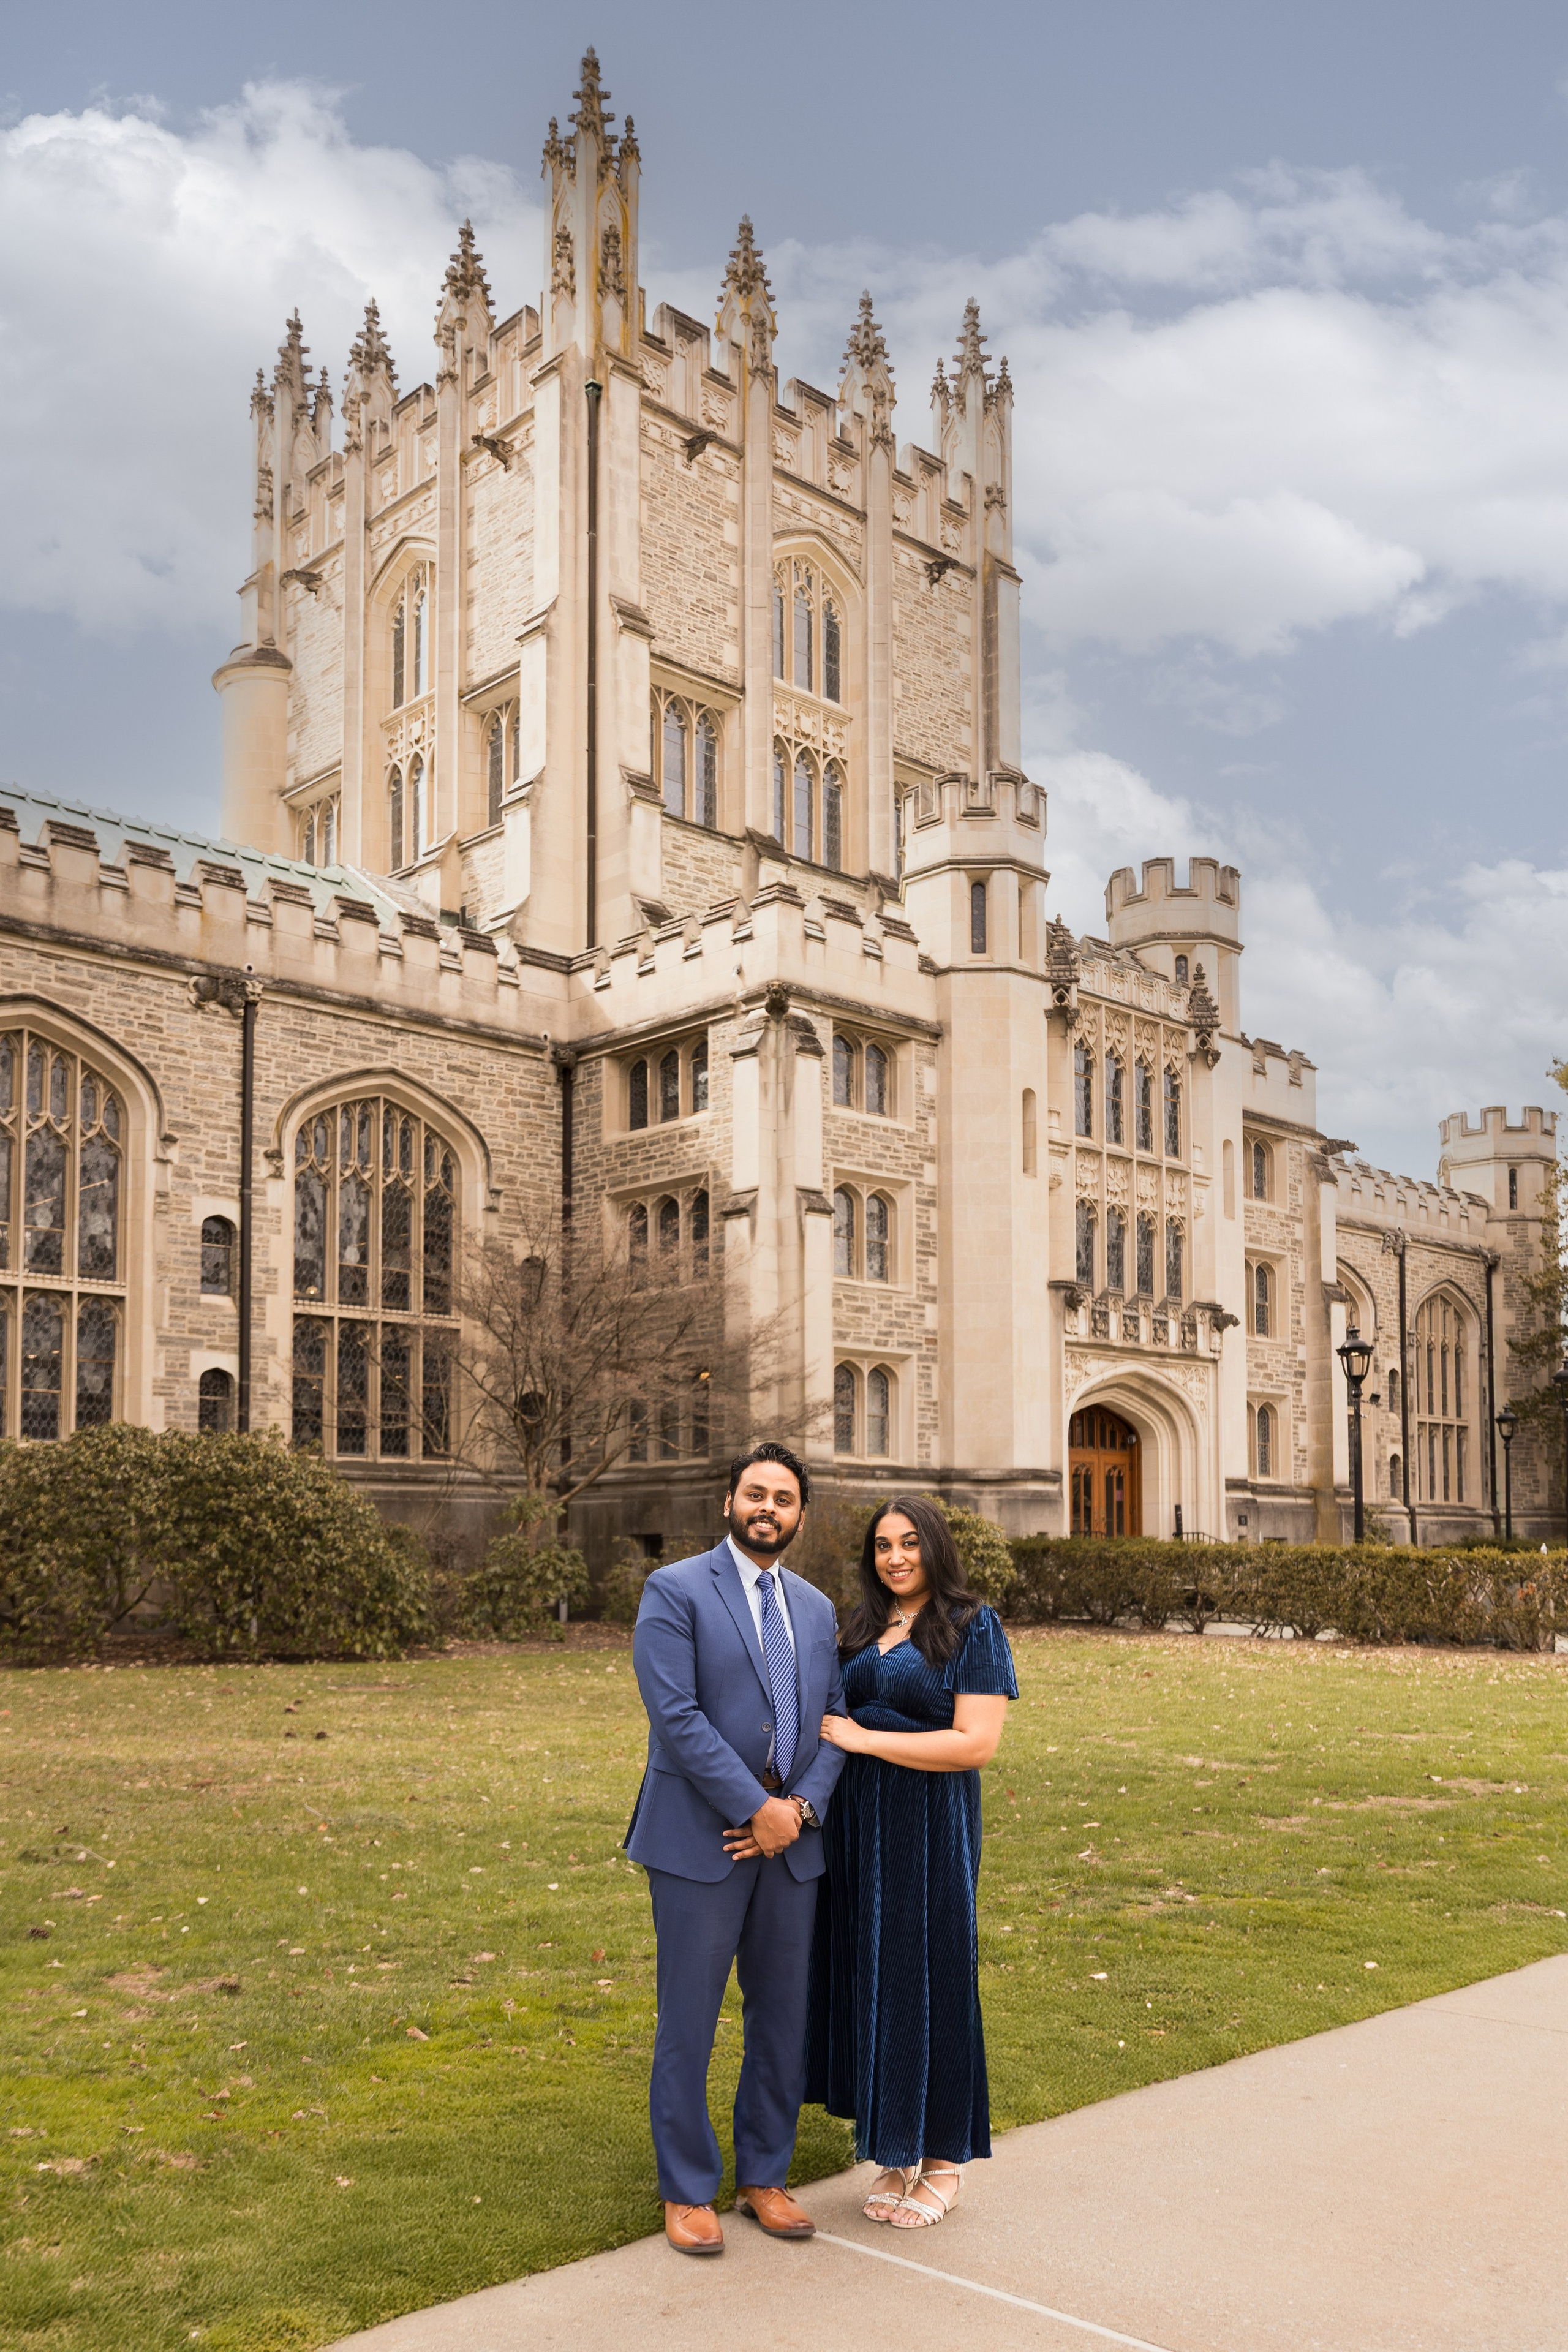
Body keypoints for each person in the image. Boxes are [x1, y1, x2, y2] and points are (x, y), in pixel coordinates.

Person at [625, 1442, 848, 2256]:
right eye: (755, 1494)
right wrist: (755, 1807)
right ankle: (686, 2189)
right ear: (729, 1502)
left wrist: (797, 1809)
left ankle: (765, 2175)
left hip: (791, 1846)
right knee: (689, 2017)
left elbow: (833, 1719)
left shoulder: (819, 1609)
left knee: (782, 2017)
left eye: (784, 1498)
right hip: (702, 1840)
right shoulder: (675, 1589)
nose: (768, 1508)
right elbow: (676, 1717)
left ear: (799, 1514)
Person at [804, 1493, 1017, 2228]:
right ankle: (896, 2149)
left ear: (934, 1547)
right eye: (882, 1546)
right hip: (859, 1826)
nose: (894, 1557)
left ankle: (944, 2160)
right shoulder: (864, 1626)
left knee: (930, 1971)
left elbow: (974, 1744)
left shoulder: (971, 1626)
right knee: (874, 1973)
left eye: (909, 1543)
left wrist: (865, 1740)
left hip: (928, 1825)